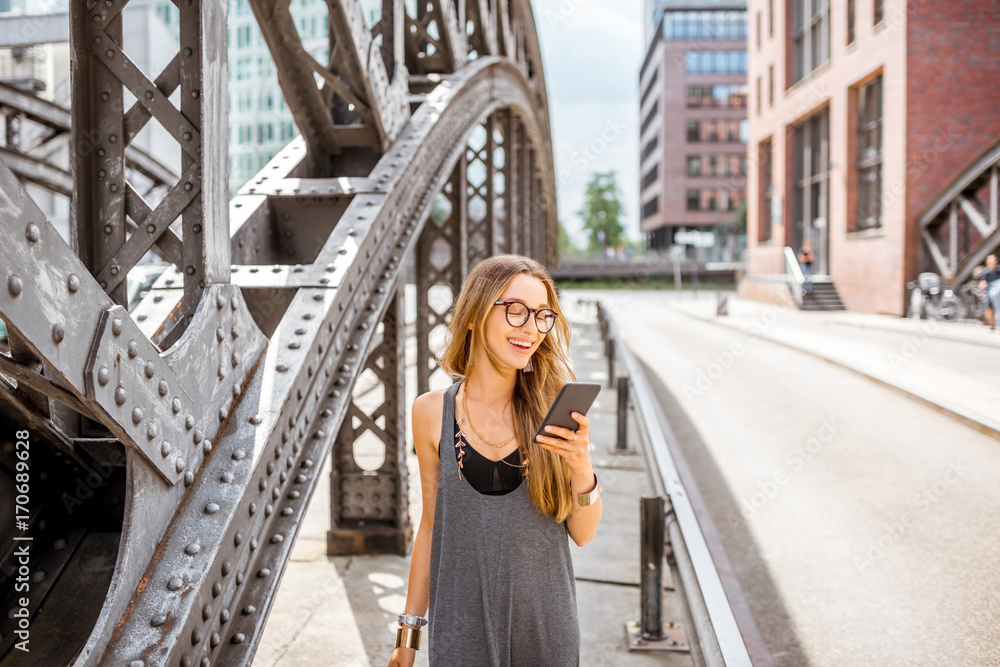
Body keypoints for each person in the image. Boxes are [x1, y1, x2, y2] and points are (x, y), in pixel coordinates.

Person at [387, 255, 602, 667]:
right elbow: (432, 526)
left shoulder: (553, 408)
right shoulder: (431, 413)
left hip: (546, 631)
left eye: (542, 316)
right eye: (516, 311)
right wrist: (408, 634)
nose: (531, 329)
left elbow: (584, 533)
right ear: (474, 314)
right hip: (459, 632)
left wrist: (581, 468)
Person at [981, 253, 1000, 330]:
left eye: (994, 260)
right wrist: (984, 291)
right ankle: (991, 324)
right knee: (988, 308)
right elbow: (983, 282)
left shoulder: (998, 270)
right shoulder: (985, 271)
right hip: (988, 291)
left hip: (998, 291)